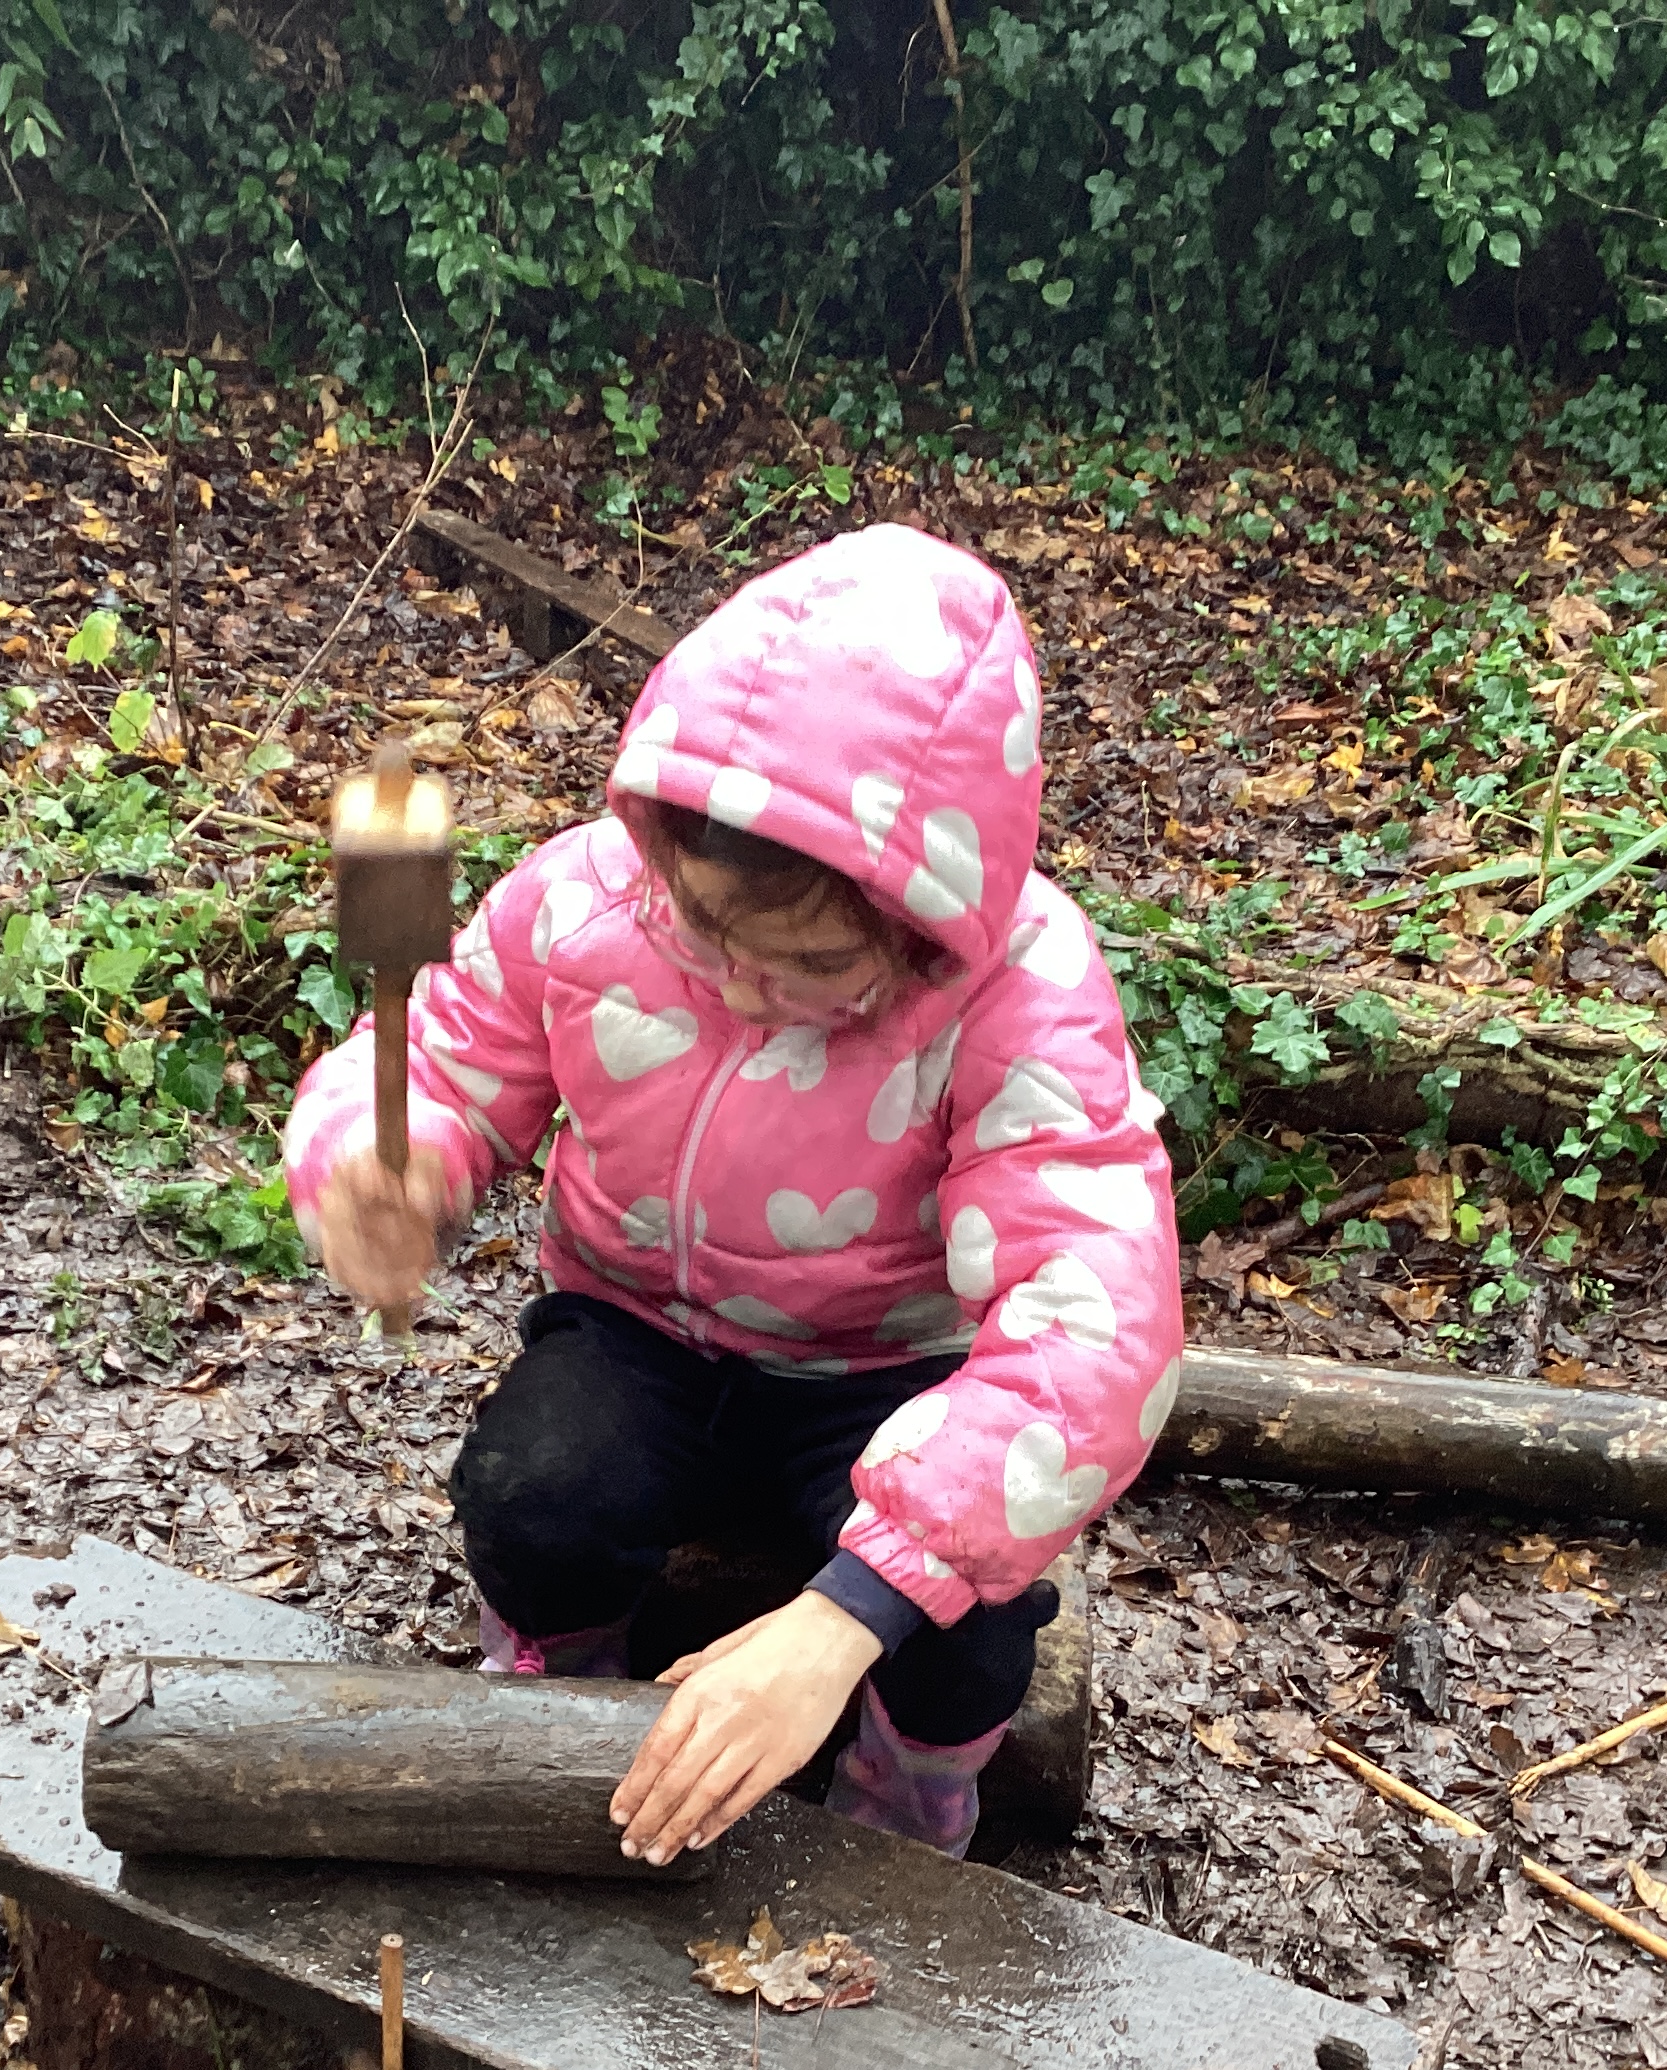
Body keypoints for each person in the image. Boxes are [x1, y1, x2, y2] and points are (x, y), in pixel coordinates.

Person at [284, 522, 1183, 1863]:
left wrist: (841, 1622)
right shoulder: (592, 899)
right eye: (701, 923)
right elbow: (456, 1053)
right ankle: (570, 1722)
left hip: (888, 1369)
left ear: (924, 918)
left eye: (811, 956)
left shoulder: (1021, 992)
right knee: (535, 1495)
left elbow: (1093, 1323)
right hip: (640, 1330)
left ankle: (900, 1807)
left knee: (967, 1631)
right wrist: (384, 1154)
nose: (741, 976)